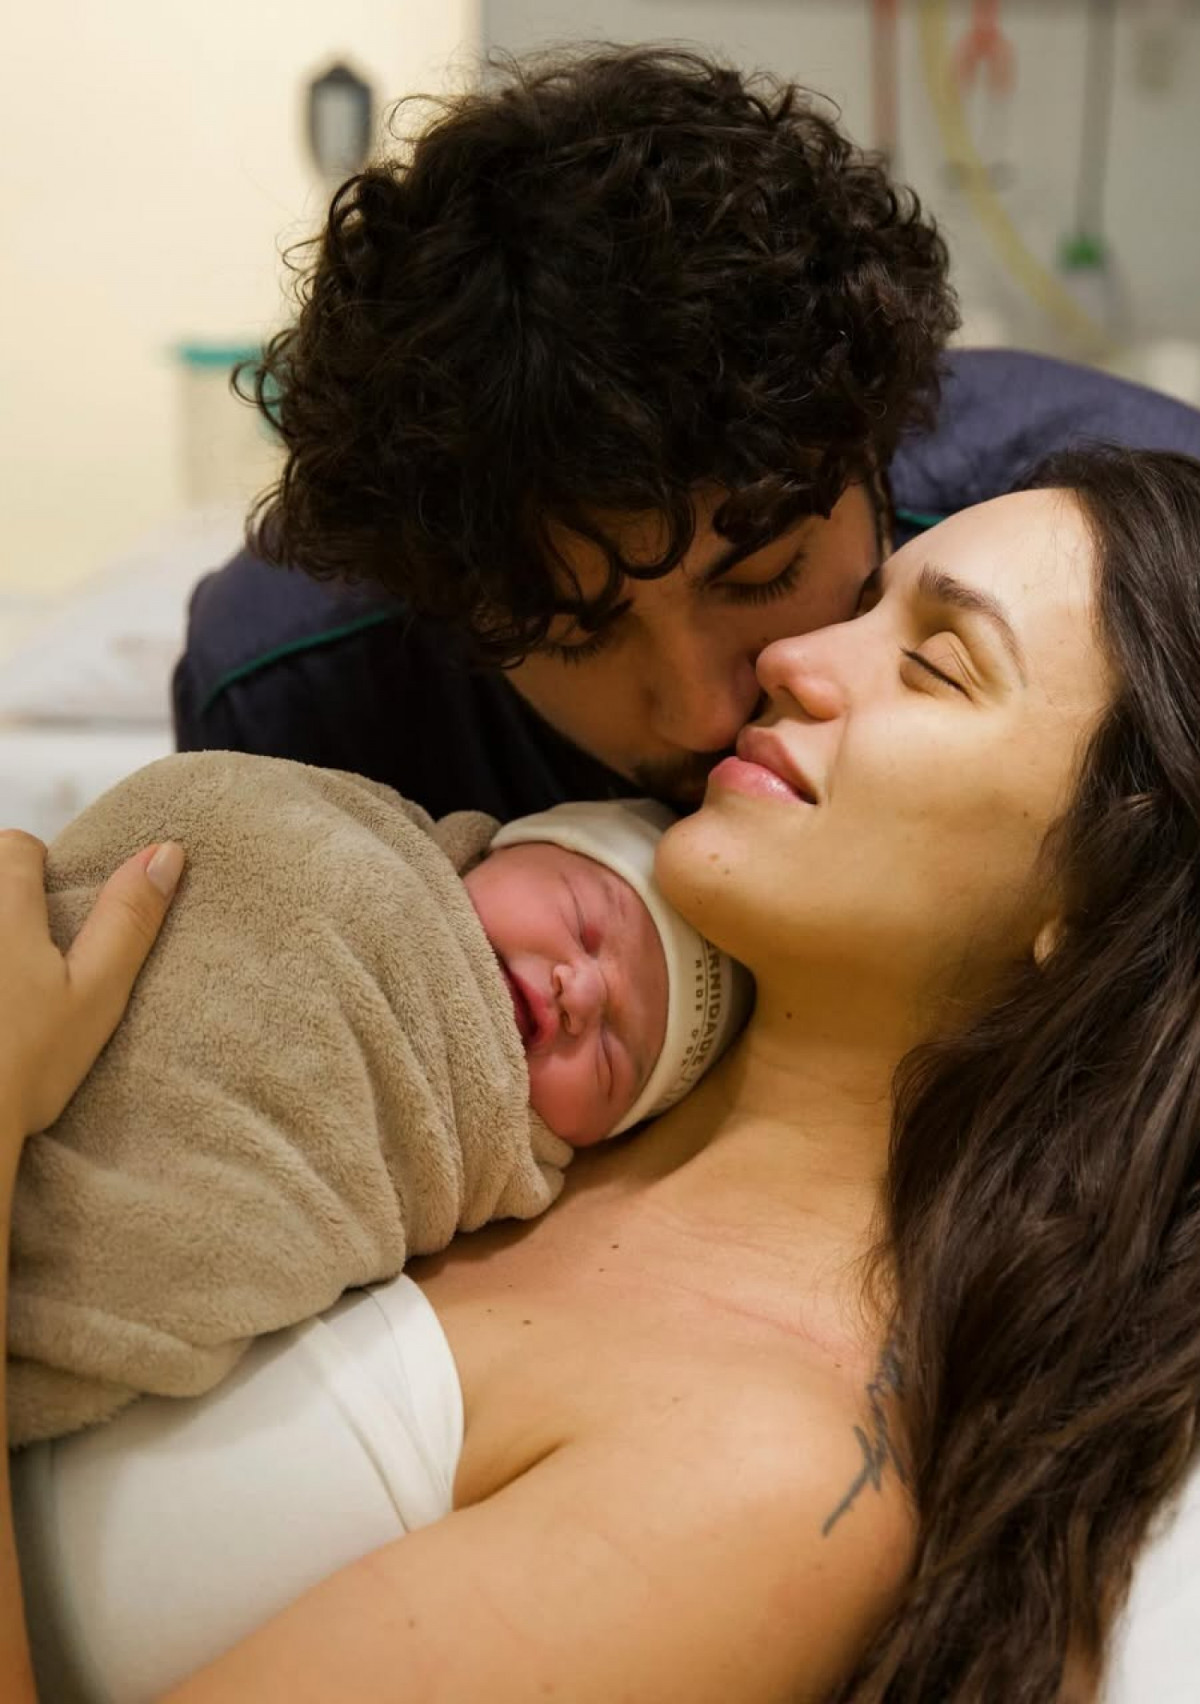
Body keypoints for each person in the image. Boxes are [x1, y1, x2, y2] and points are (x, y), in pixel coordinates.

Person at [5, 444, 1200, 1701]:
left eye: (935, 665)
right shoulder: (522, 1032)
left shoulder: (764, 1479)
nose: (792, 660)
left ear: (1108, 889)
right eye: (864, 604)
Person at [172, 47, 1200, 825]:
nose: (705, 715)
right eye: (573, 634)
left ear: (876, 448)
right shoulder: (295, 695)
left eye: (762, 574)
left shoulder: (1144, 558)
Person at [8, 762, 748, 1444]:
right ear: (502, 846)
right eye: (584, 923)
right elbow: (217, 814)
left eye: (615, 1058)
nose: (580, 994)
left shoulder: (480, 1181)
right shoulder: (354, 847)